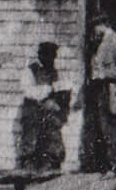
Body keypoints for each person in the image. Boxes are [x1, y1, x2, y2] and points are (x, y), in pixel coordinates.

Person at [83, 15, 116, 175]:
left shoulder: (115, 41)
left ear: (103, 25)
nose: (94, 30)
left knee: (112, 129)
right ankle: (110, 164)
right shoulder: (103, 41)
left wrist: (105, 74)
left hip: (112, 91)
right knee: (105, 129)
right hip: (103, 90)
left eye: (96, 26)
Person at [13, 40, 72, 175]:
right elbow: (29, 92)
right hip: (33, 111)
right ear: (41, 55)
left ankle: (51, 170)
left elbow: (64, 87)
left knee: (53, 142)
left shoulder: (55, 71)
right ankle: (26, 173)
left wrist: (58, 98)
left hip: (49, 113)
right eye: (48, 56)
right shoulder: (30, 71)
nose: (51, 59)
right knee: (30, 144)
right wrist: (49, 91)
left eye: (53, 56)